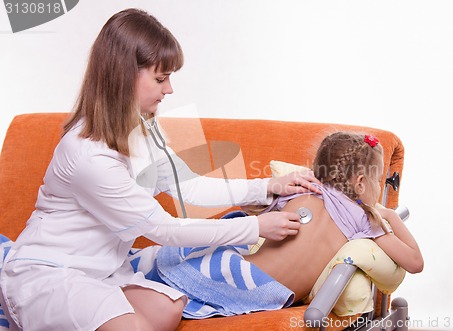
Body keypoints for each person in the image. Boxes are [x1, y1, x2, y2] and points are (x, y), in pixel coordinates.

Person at [0, 8, 321, 331]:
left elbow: (190, 188)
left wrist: (267, 187)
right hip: (48, 272)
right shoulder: (88, 154)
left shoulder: (143, 127)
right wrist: (256, 227)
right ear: (123, 75)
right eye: (160, 78)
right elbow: (163, 229)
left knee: (168, 309)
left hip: (101, 271)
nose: (169, 90)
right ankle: (27, 316)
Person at [151, 131, 424, 318]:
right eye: (379, 181)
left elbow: (249, 208)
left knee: (157, 273)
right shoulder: (366, 220)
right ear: (361, 182)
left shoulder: (301, 192)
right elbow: (414, 262)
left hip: (238, 271)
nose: (379, 188)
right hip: (263, 291)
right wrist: (390, 216)